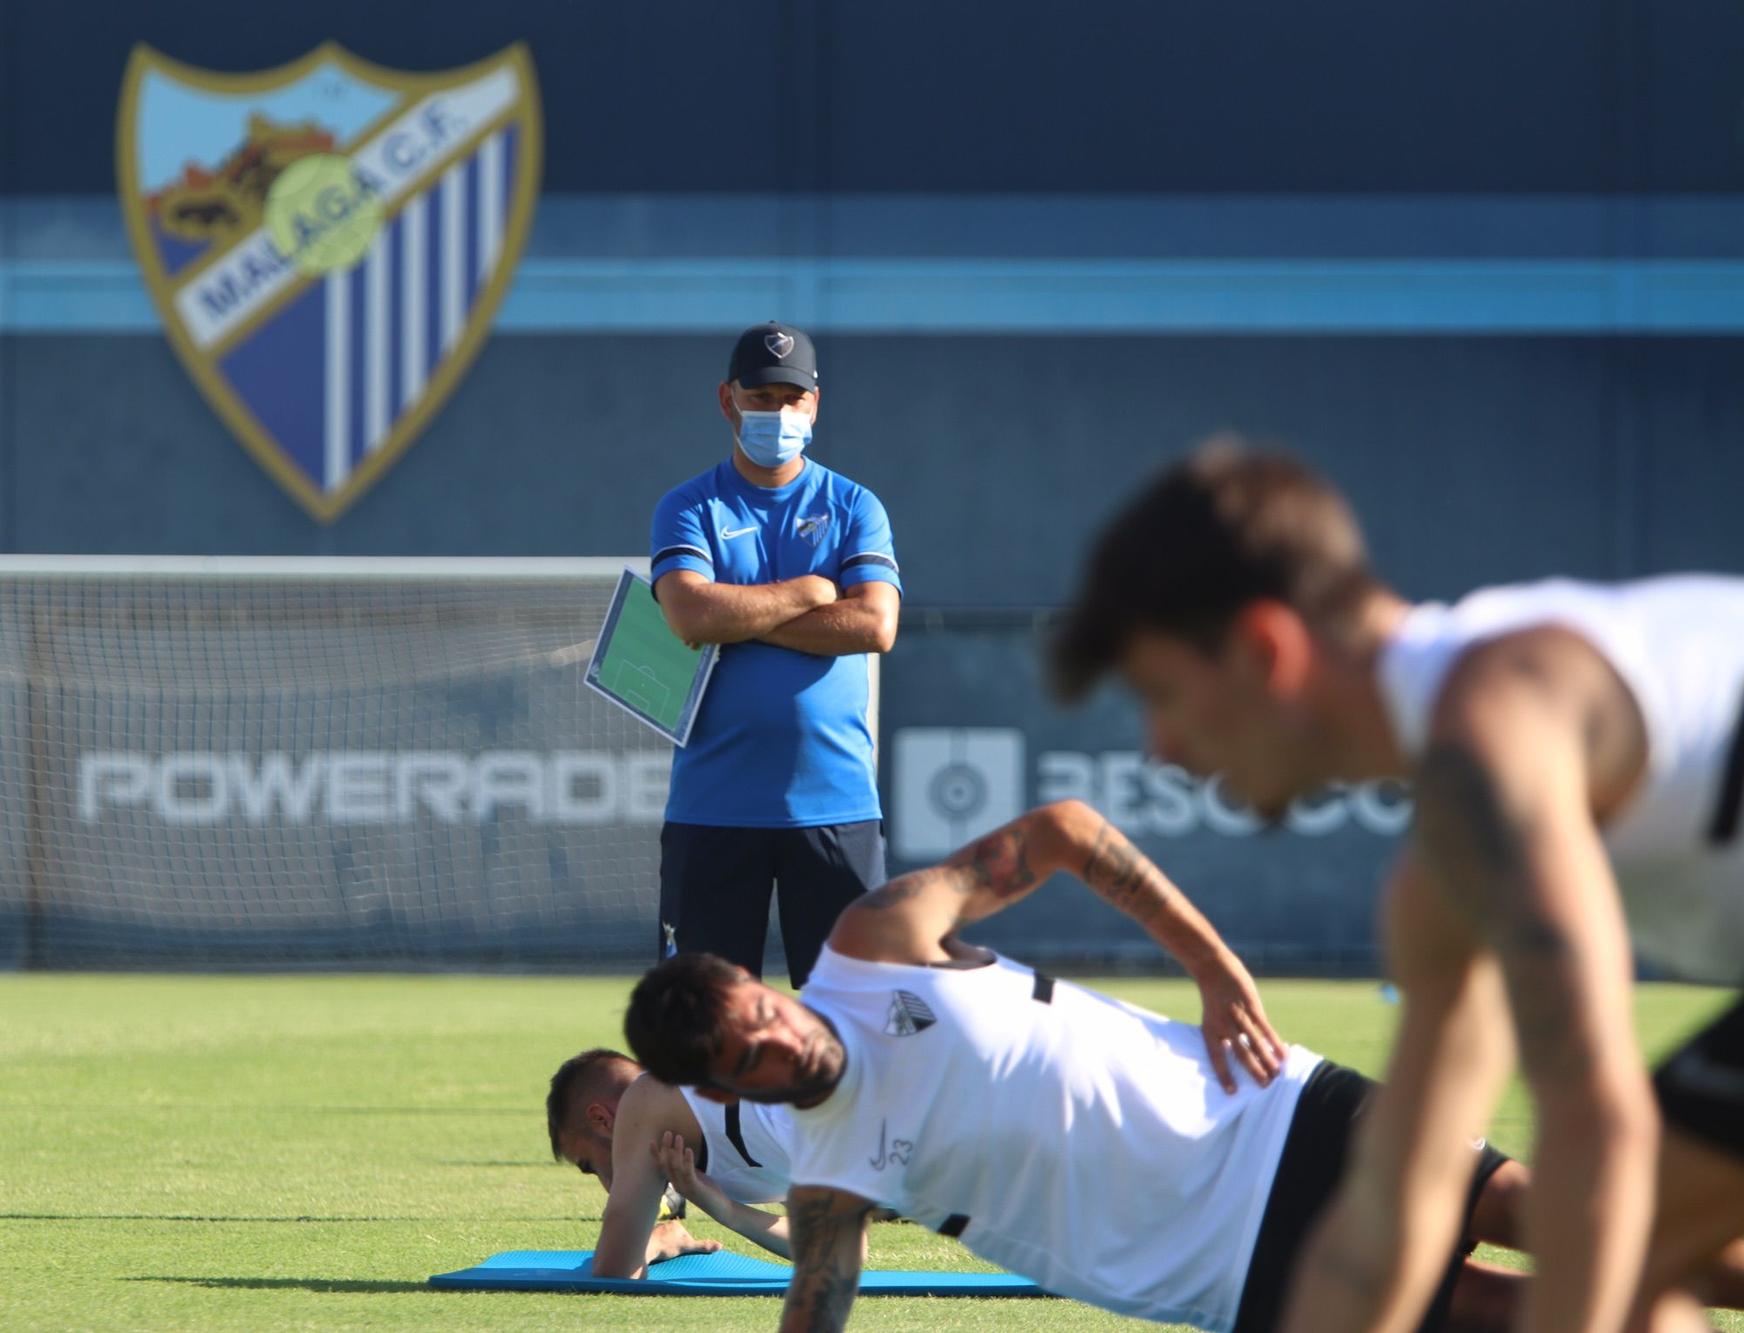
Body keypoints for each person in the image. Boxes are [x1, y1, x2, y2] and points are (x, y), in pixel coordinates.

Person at [1047, 442, 1744, 1332]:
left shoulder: (1489, 736)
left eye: (1163, 692)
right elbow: (1391, 1213)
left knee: (1615, 1239)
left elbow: (1594, 1135)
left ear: (1265, 648)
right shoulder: (1445, 861)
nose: (1161, 748)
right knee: (1622, 1260)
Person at [623, 799, 1539, 1333]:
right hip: (1236, 1266)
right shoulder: (827, 1180)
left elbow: (1062, 830)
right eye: (751, 1057)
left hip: (1273, 1112)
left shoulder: (876, 941)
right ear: (718, 1090)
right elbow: (815, 1307)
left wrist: (1212, 966)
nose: (783, 1038)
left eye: (765, 1014)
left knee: (1574, 1211)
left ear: (756, 982)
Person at [647, 320, 901, 986]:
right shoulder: (688, 506)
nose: (777, 413)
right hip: (712, 807)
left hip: (837, 806)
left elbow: (875, 623)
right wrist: (807, 592)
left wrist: (736, 615)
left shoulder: (854, 506)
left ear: (814, 403)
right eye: (760, 398)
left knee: (852, 1026)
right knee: (705, 1030)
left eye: (791, 399)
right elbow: (687, 612)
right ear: (727, 400)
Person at [545, 1046, 796, 1275]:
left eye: (589, 1166)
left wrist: (652, 1243)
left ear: (602, 1120)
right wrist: (729, 1212)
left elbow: (615, 1272)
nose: (608, 1189)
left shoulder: (647, 1102)